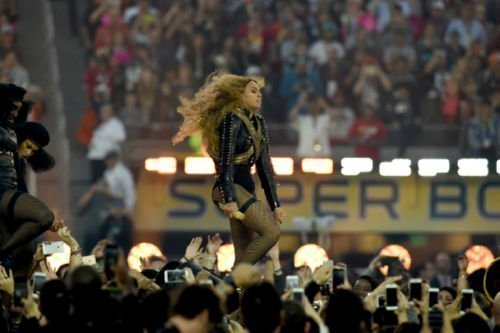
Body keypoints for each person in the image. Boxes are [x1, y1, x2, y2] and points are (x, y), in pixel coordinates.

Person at [173, 73, 285, 265]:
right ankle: (236, 281)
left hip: (246, 189)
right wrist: (230, 198)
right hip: (229, 187)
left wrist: (275, 204)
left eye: (259, 92)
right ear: (238, 96)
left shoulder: (259, 123)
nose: (259, 95)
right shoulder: (231, 119)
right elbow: (224, 162)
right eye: (253, 91)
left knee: (243, 251)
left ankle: (236, 290)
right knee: (272, 231)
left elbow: (265, 167)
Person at [0, 84, 54, 265]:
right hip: (1, 193)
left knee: (27, 251)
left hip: (9, 198)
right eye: (13, 108)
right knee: (44, 217)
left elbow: (21, 189)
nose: (16, 112)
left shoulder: (11, 136)